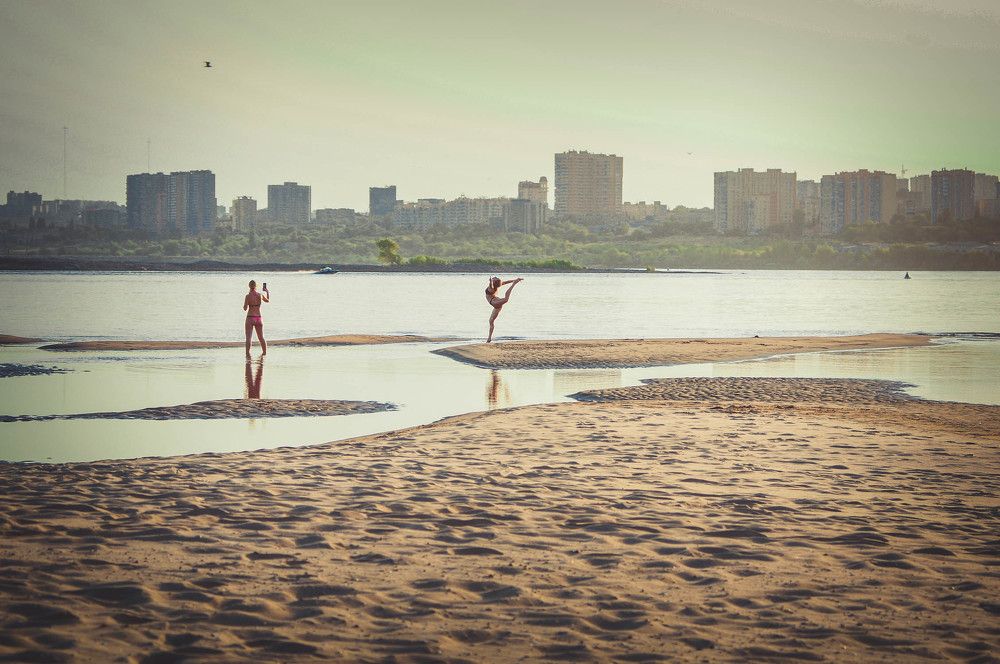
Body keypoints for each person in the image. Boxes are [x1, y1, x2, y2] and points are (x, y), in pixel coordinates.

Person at [484, 276, 522, 343]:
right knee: (491, 321)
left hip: (495, 303)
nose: (495, 277)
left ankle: (514, 285)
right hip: (497, 304)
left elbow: (491, 286)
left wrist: (490, 282)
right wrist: (515, 280)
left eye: (495, 278)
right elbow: (506, 282)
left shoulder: (491, 287)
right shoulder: (495, 286)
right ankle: (489, 338)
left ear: (494, 282)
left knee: (506, 299)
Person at [243, 280, 269, 357]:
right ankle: (264, 354)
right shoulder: (260, 295)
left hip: (250, 318)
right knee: (261, 337)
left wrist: (246, 304)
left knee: (248, 338)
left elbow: (245, 308)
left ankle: (248, 355)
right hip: (258, 318)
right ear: (256, 286)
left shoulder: (248, 296)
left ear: (249, 286)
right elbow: (267, 301)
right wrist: (267, 291)